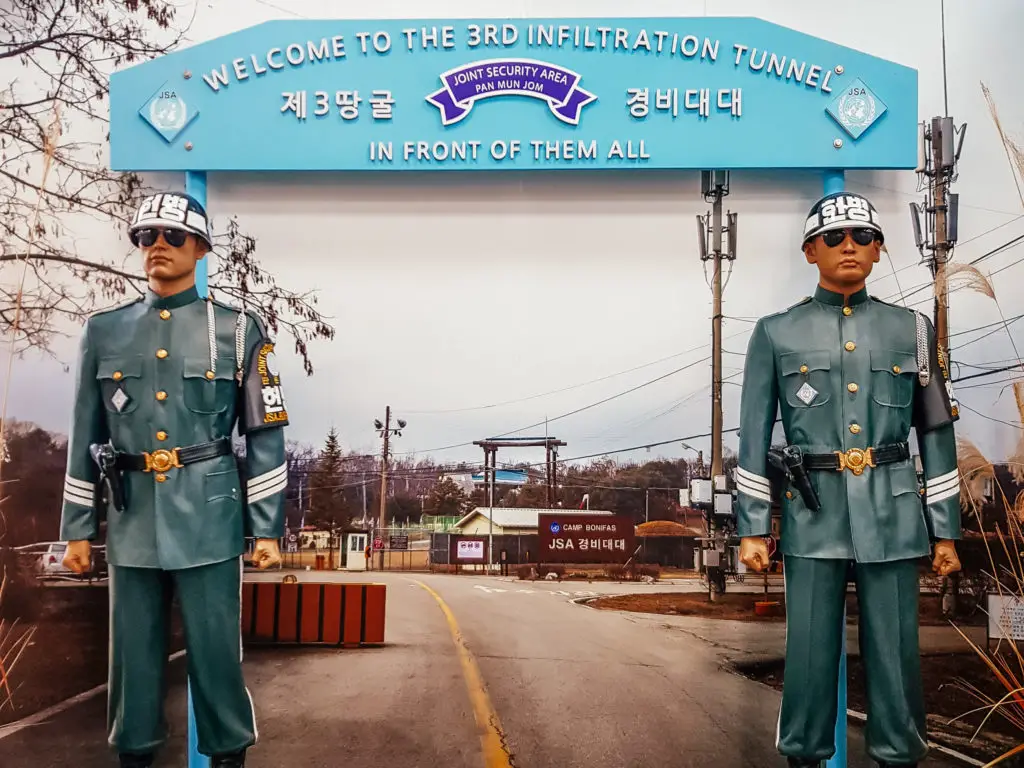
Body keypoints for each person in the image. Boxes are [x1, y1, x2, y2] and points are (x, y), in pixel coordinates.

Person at [58, 191, 289, 768]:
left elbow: (265, 431)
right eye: (145, 237)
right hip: (132, 516)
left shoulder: (238, 330)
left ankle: (228, 756)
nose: (156, 246)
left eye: (171, 236)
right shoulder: (104, 331)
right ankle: (134, 758)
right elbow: (85, 431)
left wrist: (267, 528)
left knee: (215, 658)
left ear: (201, 248)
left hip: (209, 516)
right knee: (133, 663)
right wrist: (78, 530)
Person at [735, 191, 963, 768]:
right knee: (809, 654)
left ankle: (897, 755)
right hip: (814, 514)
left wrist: (946, 533)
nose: (849, 247)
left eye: (863, 236)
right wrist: (753, 528)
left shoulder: (912, 329)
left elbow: (935, 433)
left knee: (896, 654)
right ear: (810, 250)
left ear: (880, 250)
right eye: (833, 238)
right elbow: (754, 436)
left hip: (892, 509)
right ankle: (804, 756)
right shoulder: (775, 333)